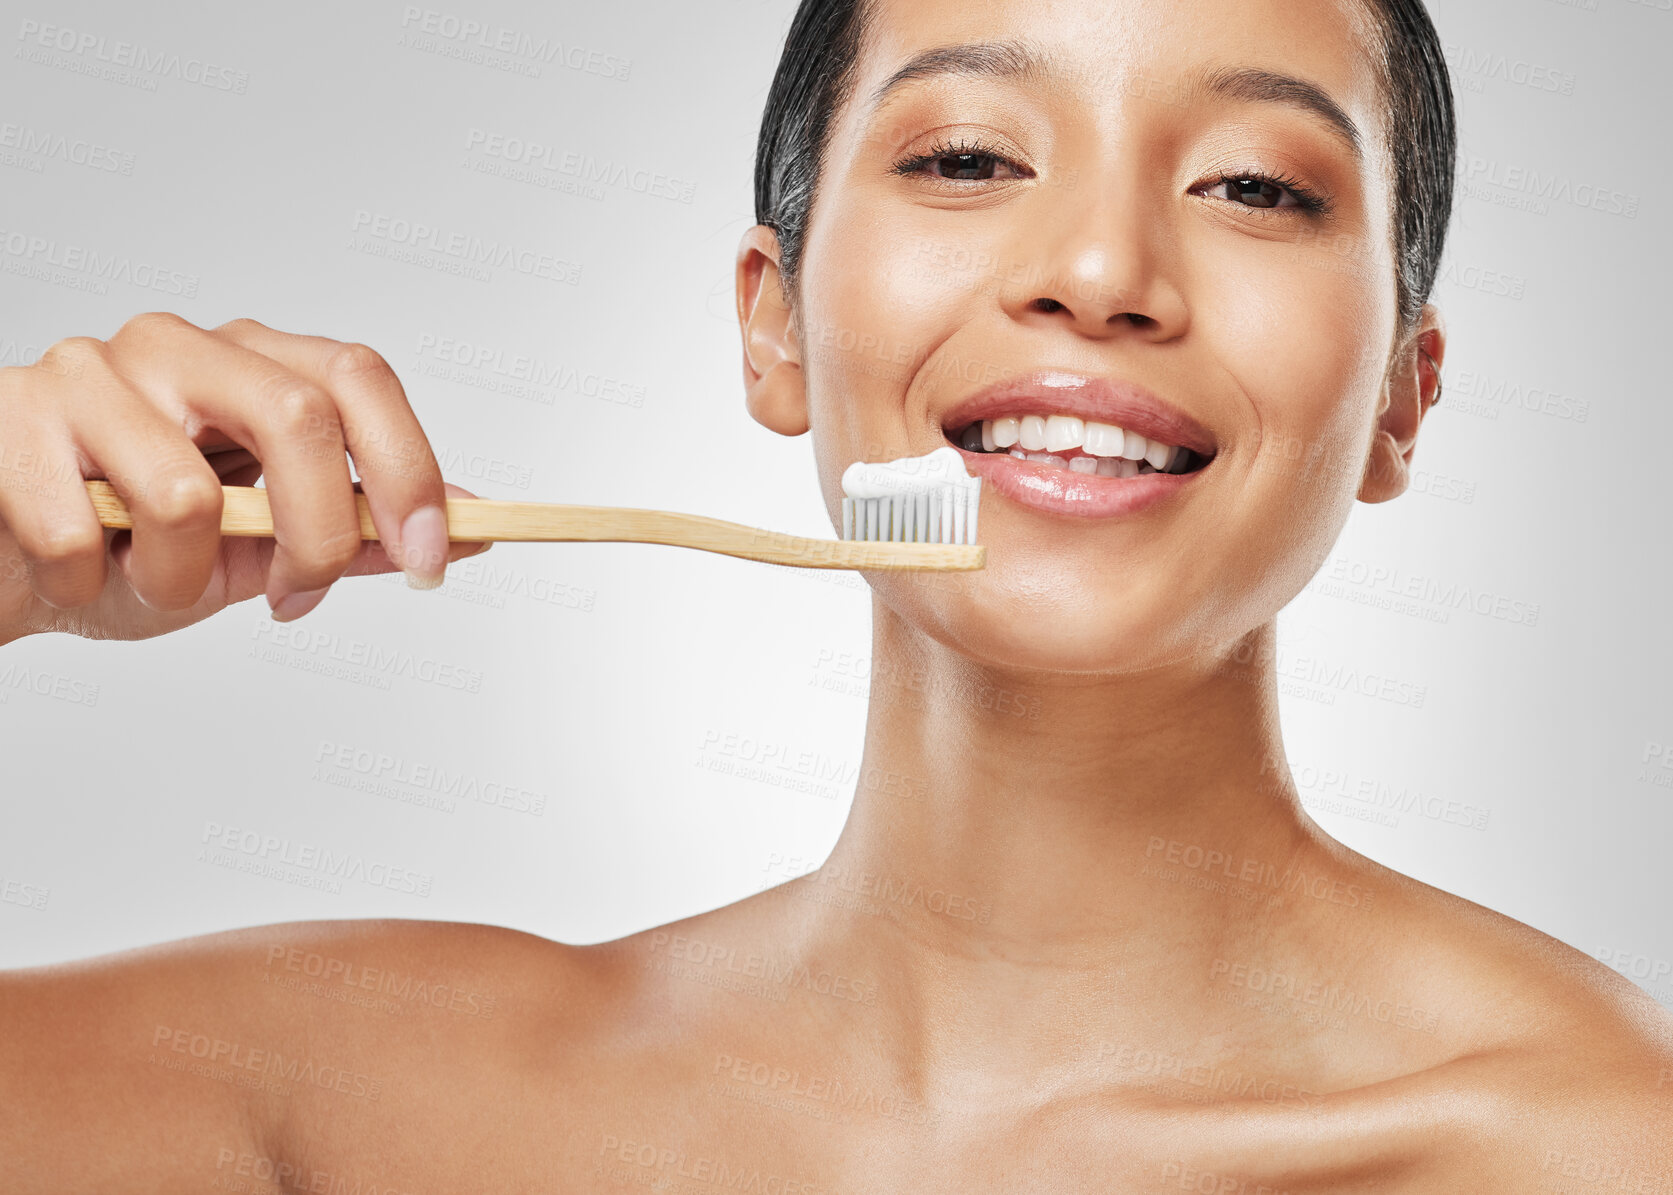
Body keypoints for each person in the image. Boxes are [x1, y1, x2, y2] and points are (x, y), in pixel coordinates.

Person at [3, 0, 1669, 1188]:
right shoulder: (328, 1095)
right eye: (962, 157)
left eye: (1251, 185)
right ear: (773, 322)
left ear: (1399, 394)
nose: (1095, 273)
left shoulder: (1602, 1148)